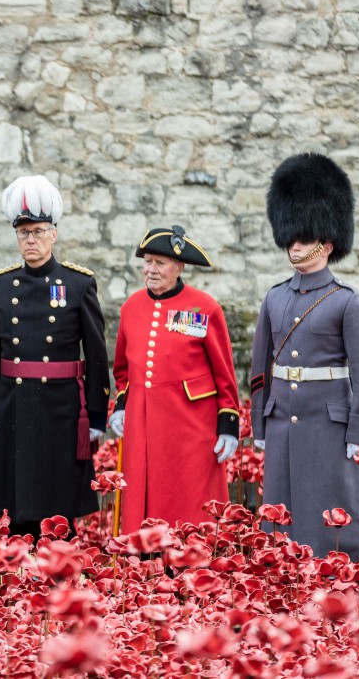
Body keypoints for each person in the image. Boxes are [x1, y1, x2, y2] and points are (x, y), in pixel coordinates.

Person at [0, 175, 109, 538]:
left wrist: (97, 414)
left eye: (38, 231)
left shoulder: (78, 283)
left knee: (57, 499)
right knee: (16, 498)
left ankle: (58, 563)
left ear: (53, 234)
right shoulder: (3, 285)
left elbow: (96, 355)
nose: (31, 240)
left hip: (60, 407)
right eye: (24, 233)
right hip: (16, 402)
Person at [250, 153, 359, 555]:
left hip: (327, 421)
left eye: (303, 237)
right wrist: (259, 426)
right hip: (280, 418)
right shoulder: (275, 296)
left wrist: (357, 432)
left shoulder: (346, 301)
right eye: (291, 236)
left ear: (326, 243)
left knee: (325, 507)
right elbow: (260, 369)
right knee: (280, 508)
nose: (294, 245)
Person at [110, 225, 240, 533]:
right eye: (147, 262)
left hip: (191, 424)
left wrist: (229, 425)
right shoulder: (131, 307)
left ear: (179, 267)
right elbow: (122, 370)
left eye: (159, 263)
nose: (150, 269)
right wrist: (121, 405)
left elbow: (224, 372)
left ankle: (190, 563)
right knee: (143, 492)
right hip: (142, 420)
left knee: (188, 497)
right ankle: (145, 562)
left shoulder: (205, 307)